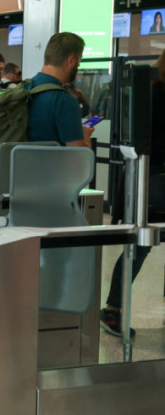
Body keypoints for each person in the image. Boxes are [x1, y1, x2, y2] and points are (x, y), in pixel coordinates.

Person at [99, 47, 165, 337]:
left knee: (140, 245)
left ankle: (113, 308)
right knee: (140, 244)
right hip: (154, 179)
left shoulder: (150, 91)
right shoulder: (156, 94)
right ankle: (112, 309)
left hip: (148, 177)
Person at [26, 32, 92, 147]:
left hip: (20, 164)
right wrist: (85, 135)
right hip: (52, 165)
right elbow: (79, 157)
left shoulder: (25, 88)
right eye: (79, 61)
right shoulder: (63, 100)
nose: (78, 66)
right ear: (71, 60)